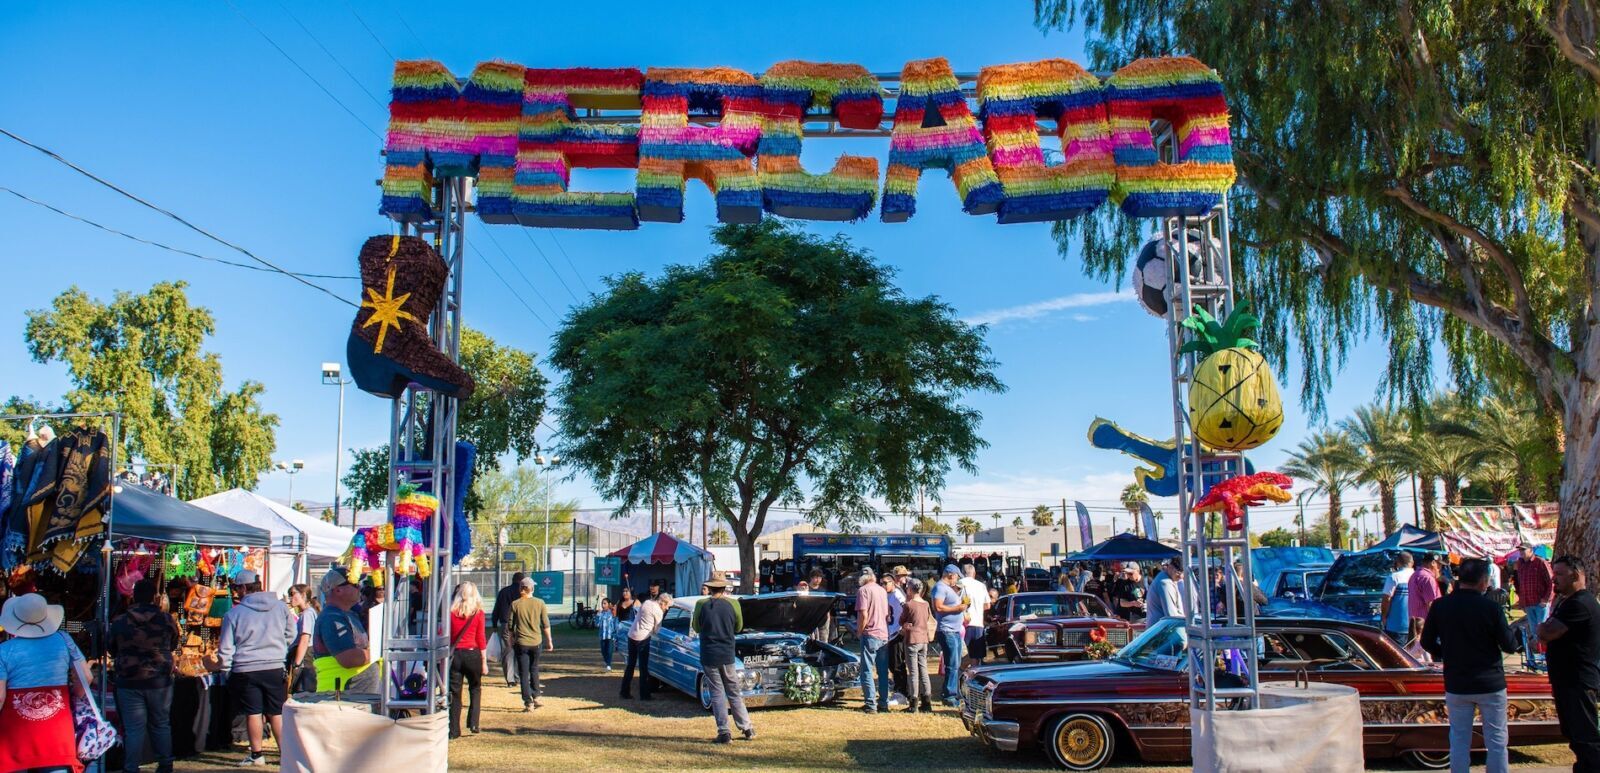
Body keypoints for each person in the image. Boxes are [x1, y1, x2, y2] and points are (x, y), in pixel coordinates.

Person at [1420, 558, 1517, 773]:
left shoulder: (1441, 606)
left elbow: (1426, 641)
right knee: (1497, 741)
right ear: (1483, 581)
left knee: (1459, 740)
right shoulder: (1491, 608)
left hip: (1457, 681)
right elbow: (1509, 645)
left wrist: (1446, 653)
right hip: (1490, 681)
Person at [0, 593, 92, 773]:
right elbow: (86, 677)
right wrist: (73, 698)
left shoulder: (4, 651)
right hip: (57, 730)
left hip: (16, 735)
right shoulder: (64, 640)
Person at [216, 569, 295, 767]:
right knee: (276, 712)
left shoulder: (234, 613)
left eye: (236, 588)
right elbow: (291, 634)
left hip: (245, 667)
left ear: (243, 588)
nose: (235, 592)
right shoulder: (280, 607)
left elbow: (226, 646)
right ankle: (286, 755)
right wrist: (279, 650)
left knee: (254, 712)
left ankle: (257, 754)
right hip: (274, 665)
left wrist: (225, 669)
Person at [108, 579, 180, 773]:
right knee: (161, 724)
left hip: (129, 680)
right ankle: (165, 764)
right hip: (159, 680)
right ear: (154, 597)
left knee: (133, 729)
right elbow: (173, 644)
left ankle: (131, 767)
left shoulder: (120, 621)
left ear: (133, 597)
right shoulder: (166, 620)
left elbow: (111, 648)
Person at [1537, 555, 1600, 770]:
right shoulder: (1567, 602)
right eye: (1554, 574)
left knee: (1586, 738)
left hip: (1578, 681)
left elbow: (1548, 631)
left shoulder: (1581, 603)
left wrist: (1543, 629)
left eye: (1560, 574)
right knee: (1576, 737)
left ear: (1576, 575)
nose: (1554, 580)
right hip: (1567, 680)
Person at [691, 577, 754, 743]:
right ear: (724, 588)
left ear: (710, 588)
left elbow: (696, 627)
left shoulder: (701, 604)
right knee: (734, 691)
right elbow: (739, 627)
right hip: (727, 653)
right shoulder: (733, 604)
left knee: (717, 693)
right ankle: (747, 728)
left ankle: (724, 732)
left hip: (709, 653)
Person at [313, 571, 379, 693]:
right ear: (338, 590)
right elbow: (348, 659)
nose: (360, 587)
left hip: (352, 698)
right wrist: (379, 652)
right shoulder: (332, 617)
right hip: (342, 699)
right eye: (355, 584)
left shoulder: (348, 614)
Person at [506, 576, 553, 711]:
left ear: (521, 589)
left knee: (523, 673)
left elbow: (510, 625)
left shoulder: (515, 604)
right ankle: (537, 695)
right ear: (532, 588)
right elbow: (545, 624)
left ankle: (528, 702)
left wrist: (510, 640)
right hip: (536, 642)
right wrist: (549, 640)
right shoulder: (540, 603)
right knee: (534, 669)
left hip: (521, 643)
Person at [448, 581, 488, 738]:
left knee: (455, 693)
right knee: (475, 688)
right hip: (473, 653)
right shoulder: (478, 614)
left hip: (456, 654)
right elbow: (481, 637)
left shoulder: (451, 613)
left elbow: (448, 635)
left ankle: (454, 729)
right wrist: (484, 661)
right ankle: (473, 722)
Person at [931, 565, 969, 708]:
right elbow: (938, 607)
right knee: (952, 664)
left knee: (956, 663)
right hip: (947, 631)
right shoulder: (940, 587)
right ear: (950, 574)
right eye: (956, 576)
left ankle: (952, 691)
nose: (956, 580)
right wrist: (957, 608)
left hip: (954, 631)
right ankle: (949, 695)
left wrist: (963, 606)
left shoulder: (947, 589)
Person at [854, 567, 890, 713]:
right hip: (884, 634)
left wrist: (859, 631)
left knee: (867, 670)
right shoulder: (882, 590)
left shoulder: (863, 591)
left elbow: (863, 614)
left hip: (870, 634)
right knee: (883, 672)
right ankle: (883, 703)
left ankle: (870, 704)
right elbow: (887, 613)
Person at [621, 591, 667, 700]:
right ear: (663, 603)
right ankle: (644, 694)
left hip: (632, 634)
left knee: (630, 665)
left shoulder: (646, 603)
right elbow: (656, 630)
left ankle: (624, 691)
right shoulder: (659, 612)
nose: (667, 609)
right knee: (643, 667)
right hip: (643, 638)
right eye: (667, 606)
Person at [899, 577, 933, 714]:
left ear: (910, 589)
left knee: (913, 672)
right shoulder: (925, 604)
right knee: (923, 670)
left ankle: (914, 702)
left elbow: (902, 620)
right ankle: (927, 701)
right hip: (923, 639)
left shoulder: (909, 604)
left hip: (912, 639)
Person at [1515, 543, 1555, 657]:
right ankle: (1538, 653)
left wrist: (1546, 599)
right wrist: (1521, 600)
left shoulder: (1541, 562)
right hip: (1528, 602)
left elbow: (1551, 582)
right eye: (1520, 550)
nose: (1521, 552)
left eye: (1523, 550)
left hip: (1540, 603)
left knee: (1542, 629)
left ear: (1531, 550)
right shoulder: (1520, 564)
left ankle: (1545, 653)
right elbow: (1519, 583)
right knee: (1533, 631)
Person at [491, 572, 526, 687]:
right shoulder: (523, 593)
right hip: (521, 624)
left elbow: (496, 609)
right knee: (520, 650)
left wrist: (494, 623)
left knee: (508, 651)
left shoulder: (503, 592)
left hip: (506, 624)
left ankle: (510, 679)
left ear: (512, 579)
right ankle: (518, 676)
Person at [286, 583, 319, 694]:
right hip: (306, 656)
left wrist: (297, 664)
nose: (291, 598)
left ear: (303, 595)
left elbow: (305, 639)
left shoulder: (307, 614)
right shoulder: (307, 613)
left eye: (293, 594)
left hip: (305, 657)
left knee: (303, 693)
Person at [1409, 553, 1444, 646]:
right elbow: (1432, 605)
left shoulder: (1415, 575)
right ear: (1433, 563)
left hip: (1415, 627)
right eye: (1439, 565)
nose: (1439, 569)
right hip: (1427, 628)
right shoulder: (1428, 578)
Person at [885, 567, 910, 699]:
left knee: (897, 663)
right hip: (890, 632)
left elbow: (907, 609)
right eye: (900, 576)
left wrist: (903, 628)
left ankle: (902, 692)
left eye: (903, 576)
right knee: (892, 663)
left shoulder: (898, 593)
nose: (902, 578)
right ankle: (898, 688)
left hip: (897, 632)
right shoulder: (889, 593)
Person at [1380, 552, 1415, 645]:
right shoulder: (1418, 577)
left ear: (1397, 562)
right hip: (1416, 626)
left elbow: (1386, 599)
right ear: (1412, 563)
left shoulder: (1394, 577)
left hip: (1396, 626)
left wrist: (1384, 616)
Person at [959, 564, 989, 666]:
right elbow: (988, 605)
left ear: (962, 573)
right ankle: (973, 677)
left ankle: (962, 677)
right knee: (975, 657)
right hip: (978, 624)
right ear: (974, 573)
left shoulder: (959, 584)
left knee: (963, 655)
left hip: (963, 624)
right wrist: (979, 609)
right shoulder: (981, 585)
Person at [597, 598, 619, 672]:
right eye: (602, 603)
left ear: (609, 604)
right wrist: (597, 616)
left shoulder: (612, 613)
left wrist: (615, 634)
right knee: (603, 651)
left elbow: (615, 623)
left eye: (605, 603)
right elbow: (597, 624)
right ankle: (607, 663)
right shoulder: (601, 614)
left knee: (609, 651)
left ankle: (608, 665)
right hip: (602, 636)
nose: (603, 605)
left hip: (610, 636)